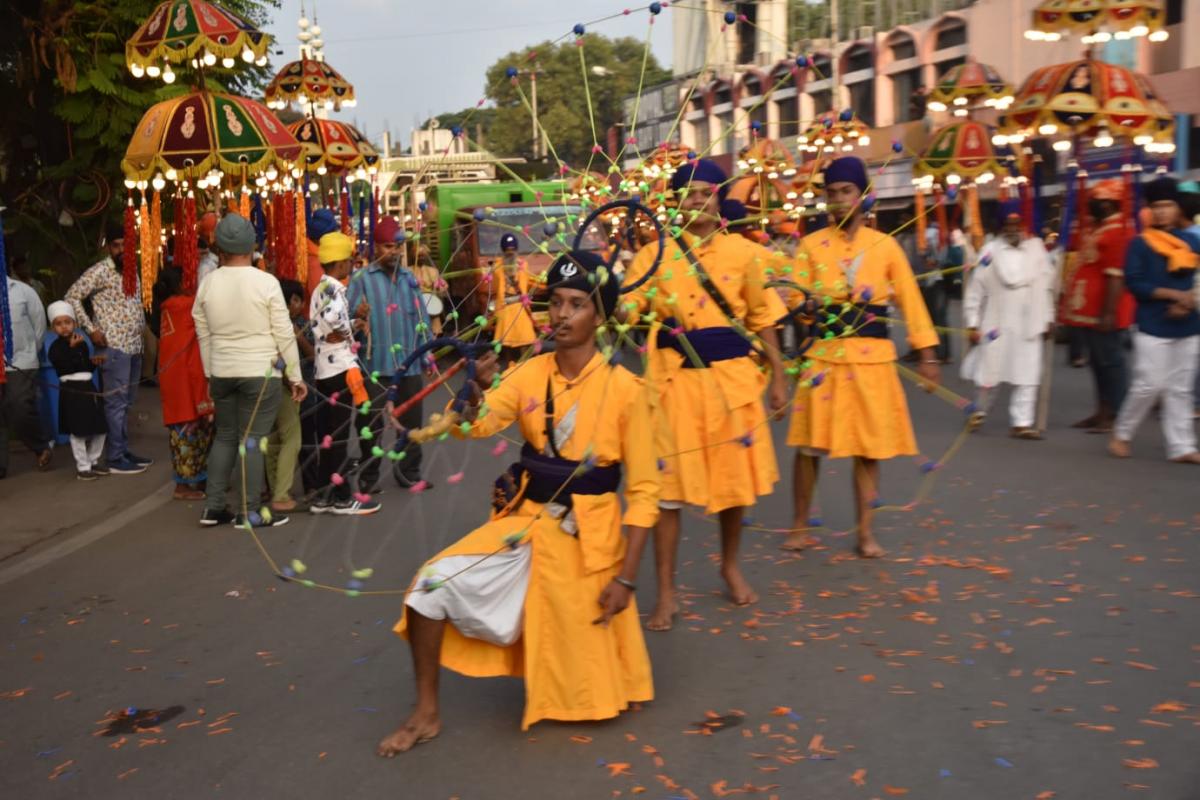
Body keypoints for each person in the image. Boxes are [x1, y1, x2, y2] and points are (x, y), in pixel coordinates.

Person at [376, 251, 658, 756]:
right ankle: (426, 713)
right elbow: (476, 424)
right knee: (427, 588)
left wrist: (626, 578)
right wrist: (475, 390)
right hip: (525, 529)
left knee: (592, 691)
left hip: (587, 548)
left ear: (601, 316)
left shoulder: (627, 391)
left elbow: (642, 496)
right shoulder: (530, 374)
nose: (563, 315)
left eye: (577, 304)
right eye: (556, 303)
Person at [623, 158, 789, 631]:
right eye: (688, 192)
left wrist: (778, 378)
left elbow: (762, 319)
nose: (697, 199)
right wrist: (612, 299)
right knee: (668, 495)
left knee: (734, 489)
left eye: (706, 191)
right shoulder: (653, 255)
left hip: (733, 385)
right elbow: (630, 307)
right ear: (675, 202)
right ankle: (668, 592)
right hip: (673, 384)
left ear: (720, 199)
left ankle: (730, 565)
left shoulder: (744, 253)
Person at [785, 156, 941, 558]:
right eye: (831, 193)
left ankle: (865, 532)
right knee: (808, 448)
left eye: (847, 192)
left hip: (873, 361)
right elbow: (794, 300)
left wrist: (928, 355)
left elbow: (910, 300)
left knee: (868, 450)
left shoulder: (885, 246)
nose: (838, 201)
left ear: (863, 196)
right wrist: (803, 305)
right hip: (822, 358)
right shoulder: (809, 246)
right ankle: (800, 523)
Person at [193, 213, 306, 527]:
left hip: (221, 371)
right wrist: (295, 377)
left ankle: (214, 508)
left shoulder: (208, 283)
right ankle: (249, 511)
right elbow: (284, 333)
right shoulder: (266, 282)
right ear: (251, 245)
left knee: (226, 437)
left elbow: (202, 332)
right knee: (253, 439)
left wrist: (208, 372)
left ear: (220, 248)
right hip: (260, 372)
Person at [1108, 177, 1200, 464]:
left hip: (1188, 322)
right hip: (1152, 323)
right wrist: (1172, 295)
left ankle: (1181, 445)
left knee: (1181, 387)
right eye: (1156, 206)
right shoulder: (1140, 243)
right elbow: (1135, 283)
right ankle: (1122, 434)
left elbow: (1197, 279)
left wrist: (1188, 302)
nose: (1162, 212)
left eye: (1168, 206)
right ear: (1149, 210)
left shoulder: (1192, 241)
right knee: (1149, 383)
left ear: (1177, 208)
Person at [347, 216, 432, 491]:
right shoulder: (360, 279)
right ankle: (369, 479)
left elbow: (422, 319)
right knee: (370, 425)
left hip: (409, 366)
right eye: (386, 247)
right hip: (373, 366)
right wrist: (355, 314)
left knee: (411, 424)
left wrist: (427, 353)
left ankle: (409, 474)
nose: (393, 252)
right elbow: (344, 317)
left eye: (396, 247)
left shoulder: (409, 279)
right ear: (376, 249)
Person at [65, 221, 153, 474]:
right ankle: (114, 458)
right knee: (115, 403)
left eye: (127, 245)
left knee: (125, 403)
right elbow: (72, 295)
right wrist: (90, 329)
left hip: (134, 345)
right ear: (108, 247)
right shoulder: (100, 271)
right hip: (113, 346)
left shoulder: (130, 270)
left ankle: (122, 450)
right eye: (117, 245)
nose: (122, 250)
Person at [962, 214, 1057, 438]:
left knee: (1028, 372)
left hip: (1029, 320)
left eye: (1017, 224)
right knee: (989, 371)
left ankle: (1022, 423)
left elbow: (1046, 288)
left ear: (1024, 227)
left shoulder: (1037, 250)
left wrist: (1048, 318)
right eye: (1008, 225)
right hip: (996, 320)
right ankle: (978, 412)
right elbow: (976, 290)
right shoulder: (989, 251)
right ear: (1002, 228)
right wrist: (972, 323)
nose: (1013, 229)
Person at [310, 232, 381, 515]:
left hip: (325, 369)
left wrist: (354, 321)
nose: (352, 264)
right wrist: (349, 329)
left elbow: (334, 326)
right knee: (338, 436)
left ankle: (324, 496)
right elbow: (334, 326)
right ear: (338, 264)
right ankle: (341, 497)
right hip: (338, 369)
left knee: (328, 435)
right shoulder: (332, 290)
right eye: (349, 260)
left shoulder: (322, 289)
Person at [1062, 179, 1135, 433]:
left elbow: (1116, 276)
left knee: (1111, 364)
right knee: (1097, 363)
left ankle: (1117, 415)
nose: (1091, 204)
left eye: (1096, 200)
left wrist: (1108, 313)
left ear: (1108, 204)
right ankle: (1102, 411)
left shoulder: (1119, 232)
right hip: (1089, 311)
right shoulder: (1099, 227)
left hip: (1104, 312)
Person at [157, 267, 214, 500]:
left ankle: (197, 478)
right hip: (185, 374)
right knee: (188, 430)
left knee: (191, 429)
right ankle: (183, 486)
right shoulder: (184, 305)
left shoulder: (169, 307)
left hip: (174, 375)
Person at [45, 302, 107, 480]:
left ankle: (94, 460)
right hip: (71, 390)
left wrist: (94, 362)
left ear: (75, 323)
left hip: (88, 387)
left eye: (67, 322)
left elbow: (85, 367)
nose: (64, 327)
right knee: (78, 430)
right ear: (53, 327)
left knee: (100, 427)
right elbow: (64, 366)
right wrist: (71, 349)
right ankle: (83, 466)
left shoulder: (82, 343)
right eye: (59, 323)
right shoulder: (55, 348)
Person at [1, 267, 51, 478]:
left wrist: (30, 350)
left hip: (20, 361)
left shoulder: (22, 291)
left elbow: (39, 325)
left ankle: (40, 445)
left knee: (19, 407)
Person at [277, 278, 321, 499]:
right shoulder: (273, 326)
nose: (290, 306)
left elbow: (313, 354)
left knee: (307, 442)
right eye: (285, 301)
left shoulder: (307, 323)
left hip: (306, 391)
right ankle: (274, 487)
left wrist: (298, 335)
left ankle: (311, 485)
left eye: (294, 300)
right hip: (280, 390)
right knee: (278, 440)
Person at [492, 232, 537, 367]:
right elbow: (495, 287)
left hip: (520, 306)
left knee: (526, 339)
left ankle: (524, 366)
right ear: (503, 250)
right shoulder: (497, 267)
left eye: (512, 250)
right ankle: (509, 367)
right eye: (507, 250)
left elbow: (528, 282)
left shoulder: (524, 265)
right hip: (505, 307)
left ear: (517, 250)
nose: (510, 253)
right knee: (507, 343)